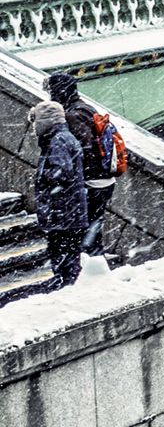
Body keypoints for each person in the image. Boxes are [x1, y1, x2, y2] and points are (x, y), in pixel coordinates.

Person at [46, 72, 116, 257]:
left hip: (93, 181)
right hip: (104, 179)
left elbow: (84, 148)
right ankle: (94, 259)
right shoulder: (86, 108)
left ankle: (92, 263)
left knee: (87, 227)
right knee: (94, 224)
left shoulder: (72, 115)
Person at [27, 100, 87, 293]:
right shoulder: (64, 137)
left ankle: (65, 287)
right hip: (71, 211)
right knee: (69, 252)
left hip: (63, 213)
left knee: (62, 252)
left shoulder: (57, 141)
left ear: (44, 121)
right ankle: (67, 283)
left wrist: (43, 178)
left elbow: (61, 173)